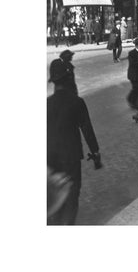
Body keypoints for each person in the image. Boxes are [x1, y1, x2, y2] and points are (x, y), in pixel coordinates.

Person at [47, 58, 102, 225]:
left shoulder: (46, 104)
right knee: (71, 197)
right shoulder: (77, 102)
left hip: (50, 158)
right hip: (71, 157)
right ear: (69, 78)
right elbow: (87, 130)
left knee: (54, 199)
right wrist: (96, 152)